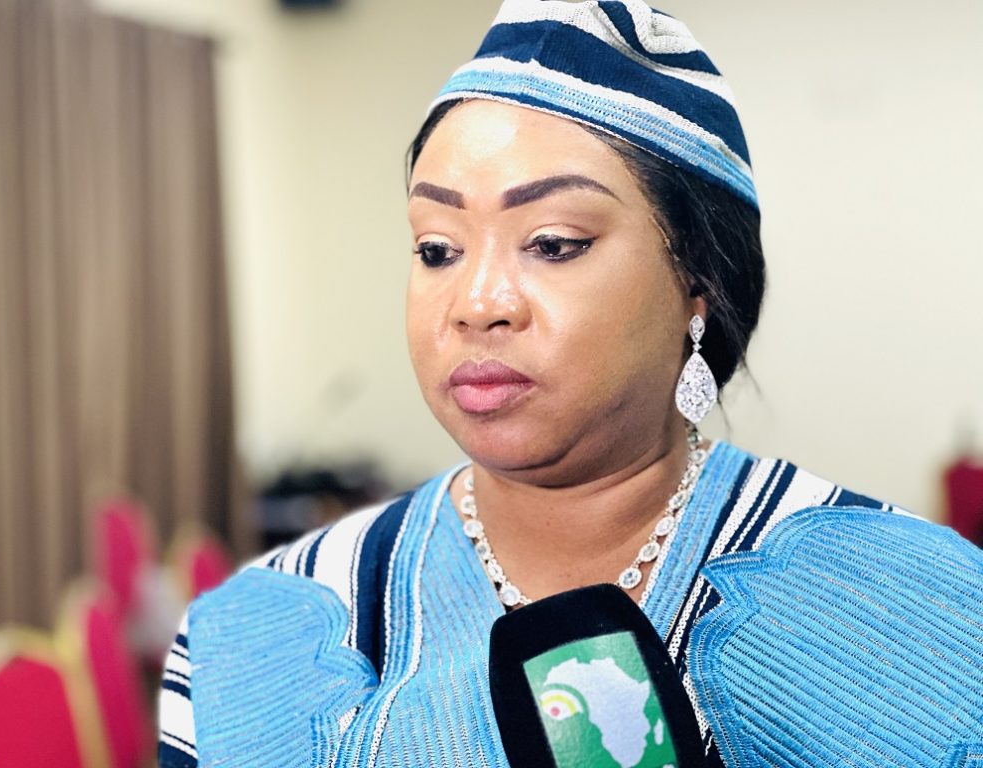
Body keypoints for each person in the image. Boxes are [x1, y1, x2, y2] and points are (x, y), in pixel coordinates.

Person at [158, 2, 983, 766]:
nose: (476, 303)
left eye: (553, 243)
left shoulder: (922, 607)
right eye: (437, 249)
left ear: (698, 282)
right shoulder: (252, 636)